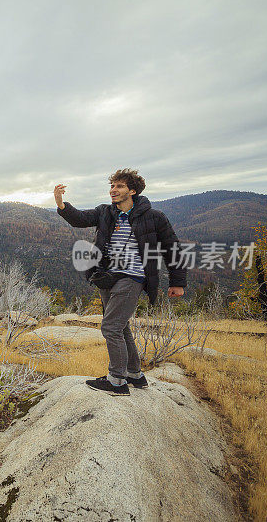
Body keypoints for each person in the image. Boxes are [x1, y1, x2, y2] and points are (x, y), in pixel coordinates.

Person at [54, 169, 186, 395]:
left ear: (132, 191)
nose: (113, 190)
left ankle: (116, 381)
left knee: (111, 327)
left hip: (132, 277)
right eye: (112, 186)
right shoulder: (105, 212)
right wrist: (60, 203)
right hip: (106, 276)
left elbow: (171, 248)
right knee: (121, 326)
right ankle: (135, 375)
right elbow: (81, 219)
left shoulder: (154, 217)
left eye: (119, 186)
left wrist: (177, 282)